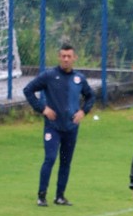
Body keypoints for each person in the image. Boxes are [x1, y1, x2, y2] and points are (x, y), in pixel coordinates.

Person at [22, 43, 95, 207]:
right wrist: (42, 108)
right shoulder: (49, 76)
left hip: (71, 127)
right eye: (63, 56)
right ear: (59, 57)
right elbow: (28, 90)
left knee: (65, 161)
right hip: (53, 127)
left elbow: (90, 96)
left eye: (69, 56)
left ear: (74, 58)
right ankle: (42, 196)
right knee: (50, 158)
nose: (66, 59)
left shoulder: (79, 79)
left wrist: (83, 112)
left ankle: (60, 196)